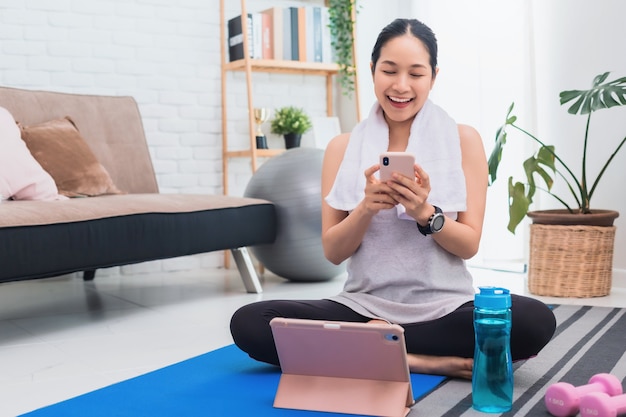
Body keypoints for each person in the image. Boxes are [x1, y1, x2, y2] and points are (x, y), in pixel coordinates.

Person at [230, 18, 556, 379]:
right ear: (372, 71)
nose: (401, 86)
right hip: (361, 307)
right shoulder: (342, 148)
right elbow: (333, 251)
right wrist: (366, 210)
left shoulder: (463, 140)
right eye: (389, 71)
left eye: (416, 74)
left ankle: (376, 347)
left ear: (433, 76)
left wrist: (425, 214)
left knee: (534, 321)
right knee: (250, 322)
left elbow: (469, 245)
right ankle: (420, 360)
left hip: (445, 308)